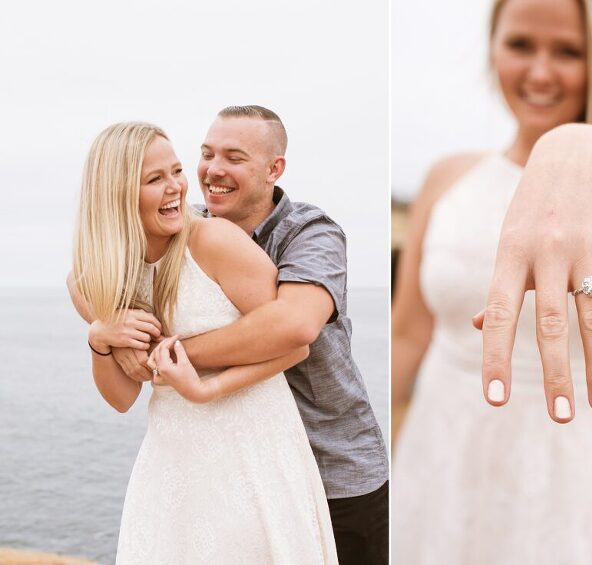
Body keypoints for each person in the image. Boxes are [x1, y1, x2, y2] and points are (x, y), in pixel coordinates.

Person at [391, 0, 592, 563]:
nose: (540, 72)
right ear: (493, 46)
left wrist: (586, 144)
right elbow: (406, 336)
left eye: (568, 51)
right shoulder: (447, 177)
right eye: (521, 45)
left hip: (571, 474)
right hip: (442, 453)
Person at [69, 106, 389, 565]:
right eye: (205, 155)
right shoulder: (175, 228)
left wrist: (169, 357)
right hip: (198, 465)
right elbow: (84, 283)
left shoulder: (310, 233)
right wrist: (104, 331)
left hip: (330, 460)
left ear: (273, 169)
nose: (210, 171)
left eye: (234, 157)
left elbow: (295, 330)